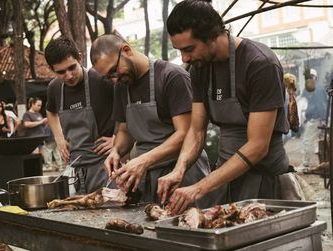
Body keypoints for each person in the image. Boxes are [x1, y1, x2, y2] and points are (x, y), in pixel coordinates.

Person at [159, 0, 290, 214]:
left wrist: (200, 187)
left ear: (212, 35)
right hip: (224, 177)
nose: (184, 58)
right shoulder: (199, 69)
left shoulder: (259, 64)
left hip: (263, 180)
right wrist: (179, 169)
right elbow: (197, 129)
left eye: (189, 49)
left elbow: (258, 146)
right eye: (179, 51)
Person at [90, 34, 211, 206]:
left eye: (114, 71)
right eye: (109, 77)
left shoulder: (171, 76)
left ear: (126, 50)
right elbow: (124, 131)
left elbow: (186, 133)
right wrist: (116, 151)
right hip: (145, 176)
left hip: (182, 173)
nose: (115, 79)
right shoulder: (121, 87)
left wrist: (144, 160)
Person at [45, 37, 116, 194]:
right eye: (61, 72)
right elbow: (50, 111)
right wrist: (59, 138)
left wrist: (118, 138)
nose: (69, 76)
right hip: (75, 169)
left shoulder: (101, 80)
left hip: (105, 164)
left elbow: (127, 107)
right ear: (52, 69)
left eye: (72, 68)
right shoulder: (54, 88)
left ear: (79, 57)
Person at [301, 69, 327, 167]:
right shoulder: (312, 88)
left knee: (307, 141)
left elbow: (322, 105)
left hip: (316, 120)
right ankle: (324, 163)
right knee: (320, 143)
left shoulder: (317, 89)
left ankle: (305, 164)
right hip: (315, 119)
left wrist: (323, 119)